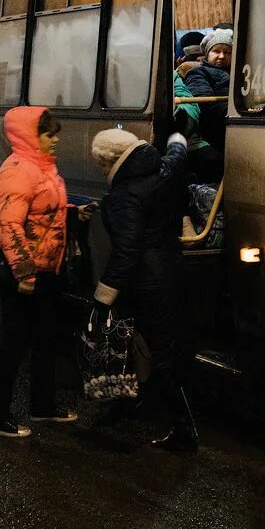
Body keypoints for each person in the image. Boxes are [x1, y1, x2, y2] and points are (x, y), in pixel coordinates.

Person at [90, 127, 197, 453]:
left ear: (109, 162)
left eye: (101, 165)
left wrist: (103, 297)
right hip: (171, 270)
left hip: (148, 281)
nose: (102, 171)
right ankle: (127, 405)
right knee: (152, 345)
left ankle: (183, 429)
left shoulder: (124, 196)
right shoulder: (160, 169)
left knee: (158, 351)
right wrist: (177, 135)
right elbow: (177, 156)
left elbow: (127, 250)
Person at [0, 106, 85, 438]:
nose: (55, 140)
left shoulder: (43, 168)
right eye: (48, 134)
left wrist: (74, 213)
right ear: (30, 136)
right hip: (25, 276)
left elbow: (44, 212)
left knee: (45, 340)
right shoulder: (18, 171)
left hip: (47, 271)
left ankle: (42, 407)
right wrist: (25, 274)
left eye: (56, 134)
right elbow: (8, 225)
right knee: (14, 344)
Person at [180, 26, 231, 183]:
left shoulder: (239, 73)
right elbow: (206, 106)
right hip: (213, 132)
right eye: (216, 51)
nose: (221, 56)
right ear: (207, 53)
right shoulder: (198, 73)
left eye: (227, 52)